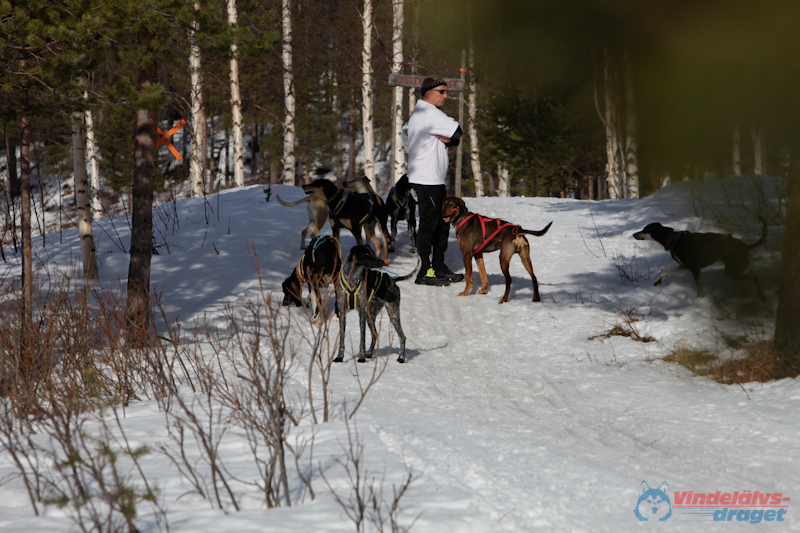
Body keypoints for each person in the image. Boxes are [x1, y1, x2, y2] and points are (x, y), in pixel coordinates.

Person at [404, 76, 465, 286]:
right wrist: (451, 137)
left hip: (434, 178)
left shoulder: (426, 113)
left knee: (442, 224)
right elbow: (458, 132)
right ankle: (425, 272)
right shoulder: (428, 113)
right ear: (427, 92)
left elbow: (454, 138)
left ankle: (438, 267)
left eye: (446, 92)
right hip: (426, 178)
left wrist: (449, 139)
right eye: (442, 91)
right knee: (430, 225)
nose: (446, 96)